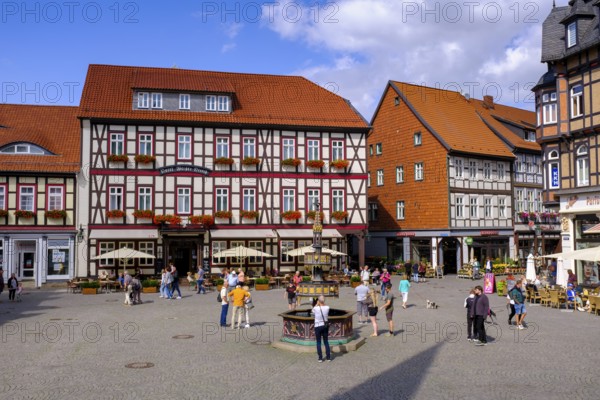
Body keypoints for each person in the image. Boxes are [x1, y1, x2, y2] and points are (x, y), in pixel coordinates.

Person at [312, 295, 331, 362]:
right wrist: (322, 302)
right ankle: (328, 357)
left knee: (318, 342)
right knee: (326, 341)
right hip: (325, 326)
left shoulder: (316, 308)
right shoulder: (327, 307)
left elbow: (312, 311)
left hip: (317, 326)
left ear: (318, 301)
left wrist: (317, 304)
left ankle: (320, 358)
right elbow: (325, 306)